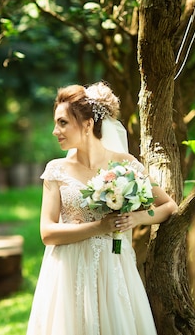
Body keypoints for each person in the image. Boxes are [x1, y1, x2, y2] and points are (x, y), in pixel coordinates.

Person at [26, 82, 179, 335]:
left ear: (87, 124)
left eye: (62, 123)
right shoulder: (56, 170)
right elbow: (47, 232)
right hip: (68, 272)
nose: (56, 131)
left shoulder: (125, 165)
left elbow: (168, 207)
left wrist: (136, 218)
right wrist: (99, 226)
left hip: (113, 268)